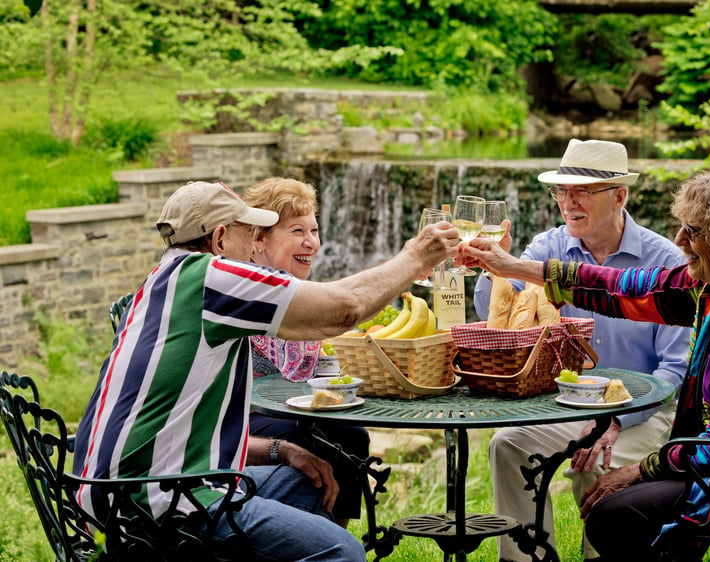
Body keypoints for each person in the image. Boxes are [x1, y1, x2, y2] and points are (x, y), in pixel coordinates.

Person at [460, 164, 710, 560]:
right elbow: (619, 287)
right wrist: (511, 267)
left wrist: (636, 470)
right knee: (613, 503)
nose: (680, 240)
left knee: (613, 514)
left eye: (693, 232)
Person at [71, 180, 459, 562]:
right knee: (343, 551)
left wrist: (284, 449)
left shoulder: (160, 284)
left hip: (120, 493)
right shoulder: (212, 278)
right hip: (156, 505)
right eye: (250, 232)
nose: (255, 243)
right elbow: (344, 309)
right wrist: (416, 257)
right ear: (220, 238)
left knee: (305, 482)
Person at [472, 139, 691, 561]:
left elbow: (674, 369)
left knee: (595, 467)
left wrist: (616, 421)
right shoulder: (548, 247)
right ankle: (525, 558)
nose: (567, 202)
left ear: (619, 196)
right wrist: (491, 265)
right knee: (507, 444)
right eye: (561, 191)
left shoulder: (664, 261)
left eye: (581, 191)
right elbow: (496, 318)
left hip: (642, 411)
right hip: (568, 406)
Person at [244, 177, 369, 529]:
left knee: (352, 435)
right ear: (259, 239)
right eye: (297, 230)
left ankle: (332, 536)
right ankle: (312, 535)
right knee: (326, 435)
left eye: (314, 230)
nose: (311, 242)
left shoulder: (298, 290)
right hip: (240, 416)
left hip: (285, 407)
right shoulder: (245, 288)